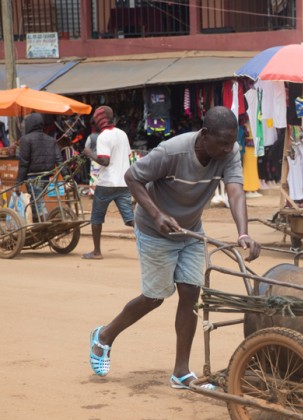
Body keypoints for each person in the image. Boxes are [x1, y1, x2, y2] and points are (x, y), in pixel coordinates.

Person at [88, 106, 261, 390]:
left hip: (190, 230)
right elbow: (132, 177)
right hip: (154, 230)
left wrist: (243, 233)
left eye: (232, 142)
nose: (228, 148)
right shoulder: (172, 152)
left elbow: (235, 190)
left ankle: (181, 371)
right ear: (205, 135)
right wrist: (157, 215)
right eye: (222, 142)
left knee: (191, 293)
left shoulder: (229, 152)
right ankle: (104, 336)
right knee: (155, 297)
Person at [82, 106, 134, 260]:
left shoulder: (103, 136)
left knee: (96, 218)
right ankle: (148, 246)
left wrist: (89, 153)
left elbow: (104, 161)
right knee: (131, 219)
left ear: (99, 120)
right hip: (124, 182)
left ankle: (97, 252)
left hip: (107, 183)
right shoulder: (122, 134)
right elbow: (128, 155)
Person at [16, 113, 64, 222]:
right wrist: (66, 176)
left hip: (33, 178)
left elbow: (23, 163)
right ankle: (37, 229)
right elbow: (59, 160)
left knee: (38, 204)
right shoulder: (50, 139)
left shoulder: (25, 139)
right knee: (36, 202)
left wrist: (18, 184)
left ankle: (47, 227)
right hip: (46, 177)